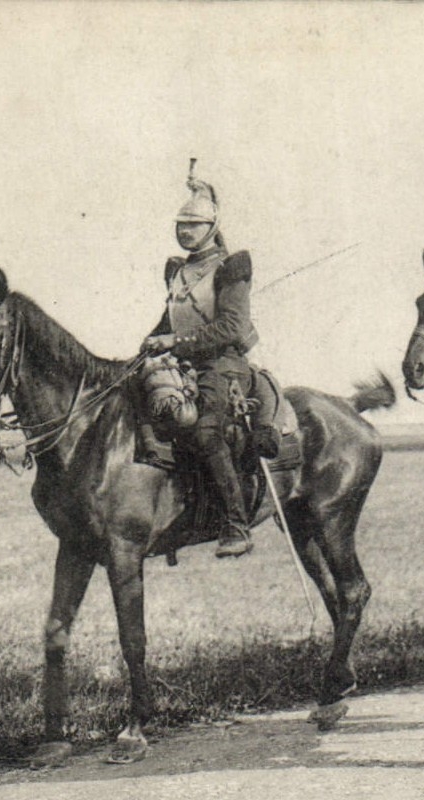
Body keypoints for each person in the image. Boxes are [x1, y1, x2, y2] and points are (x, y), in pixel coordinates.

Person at [142, 162, 276, 558]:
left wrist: (174, 343)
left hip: (223, 365)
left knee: (205, 430)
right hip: (184, 363)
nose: (185, 231)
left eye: (194, 225)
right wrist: (151, 342)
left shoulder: (231, 268)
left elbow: (232, 327)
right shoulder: (179, 271)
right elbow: (169, 320)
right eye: (181, 224)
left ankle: (235, 523)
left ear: (212, 227)